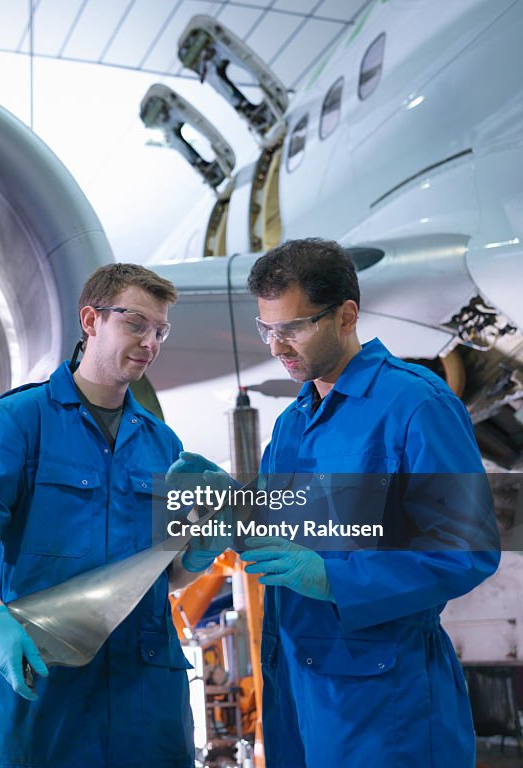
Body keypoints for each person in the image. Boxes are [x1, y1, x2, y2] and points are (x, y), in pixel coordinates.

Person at [172, 238, 500, 767]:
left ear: (346, 315)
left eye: (294, 327)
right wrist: (229, 506)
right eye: (267, 329)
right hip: (297, 694)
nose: (278, 346)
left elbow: (465, 552)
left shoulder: (416, 405)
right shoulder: (292, 424)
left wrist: (332, 579)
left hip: (387, 706)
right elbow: (279, 531)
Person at [0, 263, 205, 767]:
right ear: (91, 320)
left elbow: (163, 578)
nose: (151, 342)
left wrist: (198, 554)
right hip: (45, 679)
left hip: (146, 687)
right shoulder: (21, 419)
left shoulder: (162, 442)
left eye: (160, 330)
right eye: (136, 324)